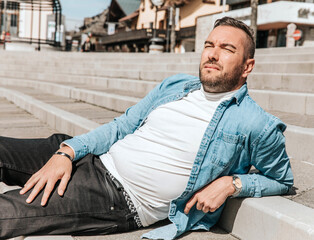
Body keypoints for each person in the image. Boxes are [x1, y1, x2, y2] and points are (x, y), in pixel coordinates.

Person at [0, 17, 293, 239]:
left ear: (247, 66)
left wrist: (232, 184)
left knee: (7, 213)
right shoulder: (177, 85)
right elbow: (122, 126)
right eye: (209, 45)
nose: (213, 54)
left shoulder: (256, 124)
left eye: (227, 49)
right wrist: (66, 152)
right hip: (92, 157)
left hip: (116, 197)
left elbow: (282, 180)